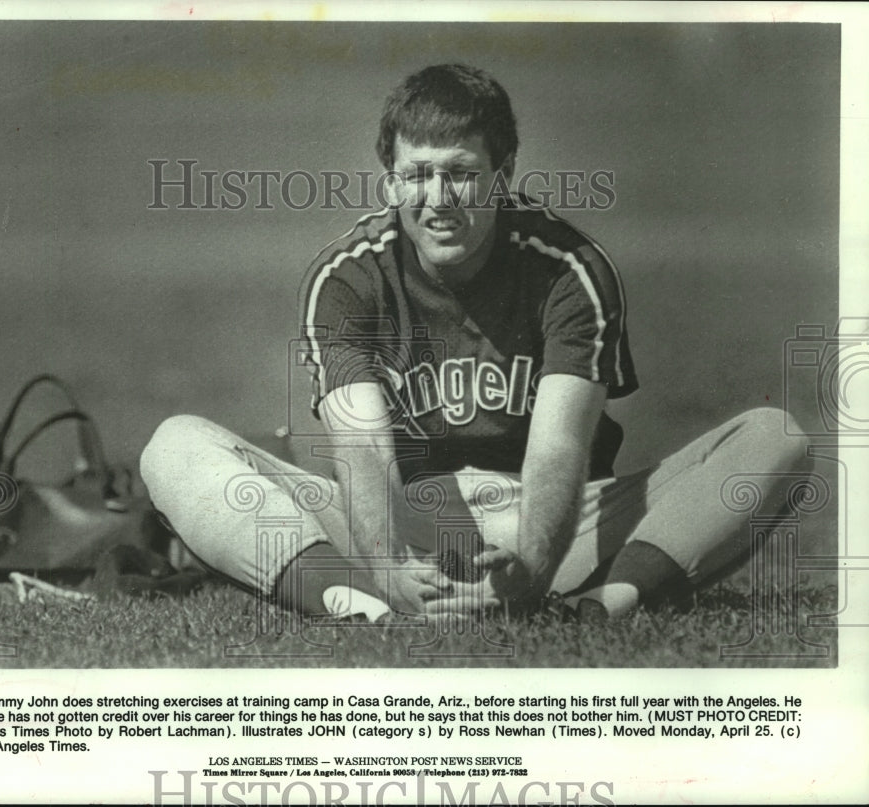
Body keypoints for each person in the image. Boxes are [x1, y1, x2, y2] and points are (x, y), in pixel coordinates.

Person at [140, 63, 810, 622]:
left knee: (776, 437)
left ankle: (596, 606)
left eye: (460, 172)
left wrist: (532, 565)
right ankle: (360, 610)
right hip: (407, 521)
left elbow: (559, 447)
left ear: (502, 171)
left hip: (554, 520)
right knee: (174, 445)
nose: (438, 198)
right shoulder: (348, 277)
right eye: (417, 174)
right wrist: (388, 568)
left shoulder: (567, 267)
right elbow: (365, 449)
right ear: (390, 180)